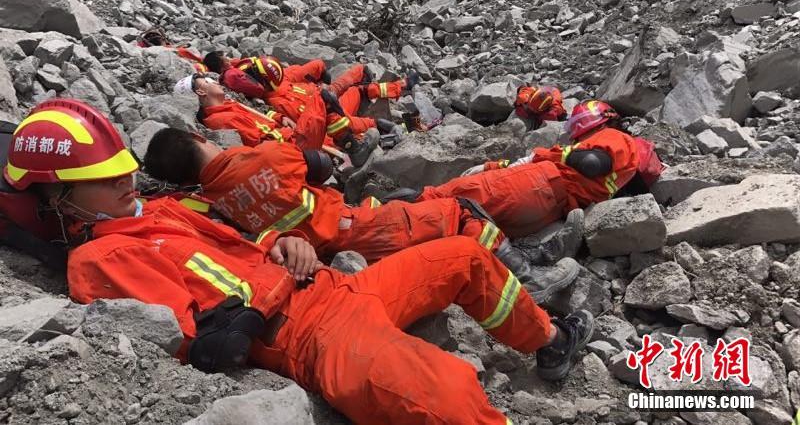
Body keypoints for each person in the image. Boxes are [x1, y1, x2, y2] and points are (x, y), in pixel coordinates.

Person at [6, 98, 594, 425]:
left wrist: (283, 246)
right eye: (107, 179)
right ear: (58, 197)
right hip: (312, 336)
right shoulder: (99, 258)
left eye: (126, 170)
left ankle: (546, 339)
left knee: (464, 258)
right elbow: (195, 336)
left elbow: (241, 246)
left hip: (331, 285)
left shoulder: (159, 212)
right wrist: (252, 304)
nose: (127, 181)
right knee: (447, 397)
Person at [144, 128, 584, 304]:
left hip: (327, 243)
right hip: (350, 233)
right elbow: (317, 164)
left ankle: (530, 255)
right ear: (197, 136)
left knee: (415, 197)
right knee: (460, 210)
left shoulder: (205, 203)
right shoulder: (258, 158)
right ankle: (529, 279)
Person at [385, 101, 664, 253]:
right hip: (547, 208)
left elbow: (590, 163)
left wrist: (557, 153)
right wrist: (493, 166)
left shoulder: (613, 137)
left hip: (540, 183)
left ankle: (372, 223)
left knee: (441, 198)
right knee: (461, 227)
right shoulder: (623, 164)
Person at [204, 52, 415, 165]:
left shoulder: (279, 88)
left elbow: (314, 67)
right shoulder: (278, 100)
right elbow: (320, 126)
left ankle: (400, 89)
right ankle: (390, 122)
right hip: (329, 115)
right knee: (355, 93)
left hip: (326, 104)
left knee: (358, 88)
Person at [173, 73, 328, 151]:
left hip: (292, 134)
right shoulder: (222, 120)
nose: (213, 81)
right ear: (200, 92)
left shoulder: (227, 105)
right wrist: (289, 133)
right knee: (325, 98)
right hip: (295, 146)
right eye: (207, 81)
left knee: (350, 95)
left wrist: (279, 118)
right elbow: (263, 144)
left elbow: (259, 116)